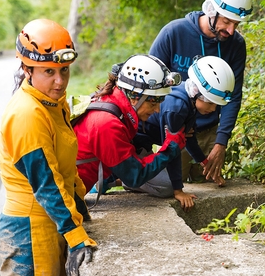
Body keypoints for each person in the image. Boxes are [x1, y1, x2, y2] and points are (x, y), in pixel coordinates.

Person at [0, 19, 96, 276]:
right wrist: (76, 235)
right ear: (27, 69)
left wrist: (80, 215)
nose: (60, 81)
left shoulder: (53, 104)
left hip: (50, 222)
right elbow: (46, 183)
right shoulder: (27, 114)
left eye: (64, 70)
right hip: (29, 232)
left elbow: (64, 169)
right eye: (49, 72)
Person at [149, 0, 253, 184]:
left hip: (208, 133)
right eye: (227, 22)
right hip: (175, 127)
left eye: (236, 24)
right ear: (212, 11)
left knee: (207, 189)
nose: (231, 31)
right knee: (171, 188)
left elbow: (233, 96)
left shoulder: (236, 44)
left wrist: (221, 142)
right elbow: (150, 85)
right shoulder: (174, 33)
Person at [72, 54, 192, 210]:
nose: (157, 110)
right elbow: (135, 175)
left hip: (69, 189)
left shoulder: (108, 101)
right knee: (165, 186)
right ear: (136, 97)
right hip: (65, 200)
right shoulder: (108, 124)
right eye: (154, 102)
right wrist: (170, 148)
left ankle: (107, 181)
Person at [132, 56, 235, 205]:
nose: (213, 109)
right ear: (196, 92)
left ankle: (126, 178)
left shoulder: (189, 101)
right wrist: (178, 191)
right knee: (167, 187)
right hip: (135, 145)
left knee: (166, 180)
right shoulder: (177, 109)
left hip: (144, 143)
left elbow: (189, 138)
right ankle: (118, 177)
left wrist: (204, 162)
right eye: (211, 103)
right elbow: (171, 150)